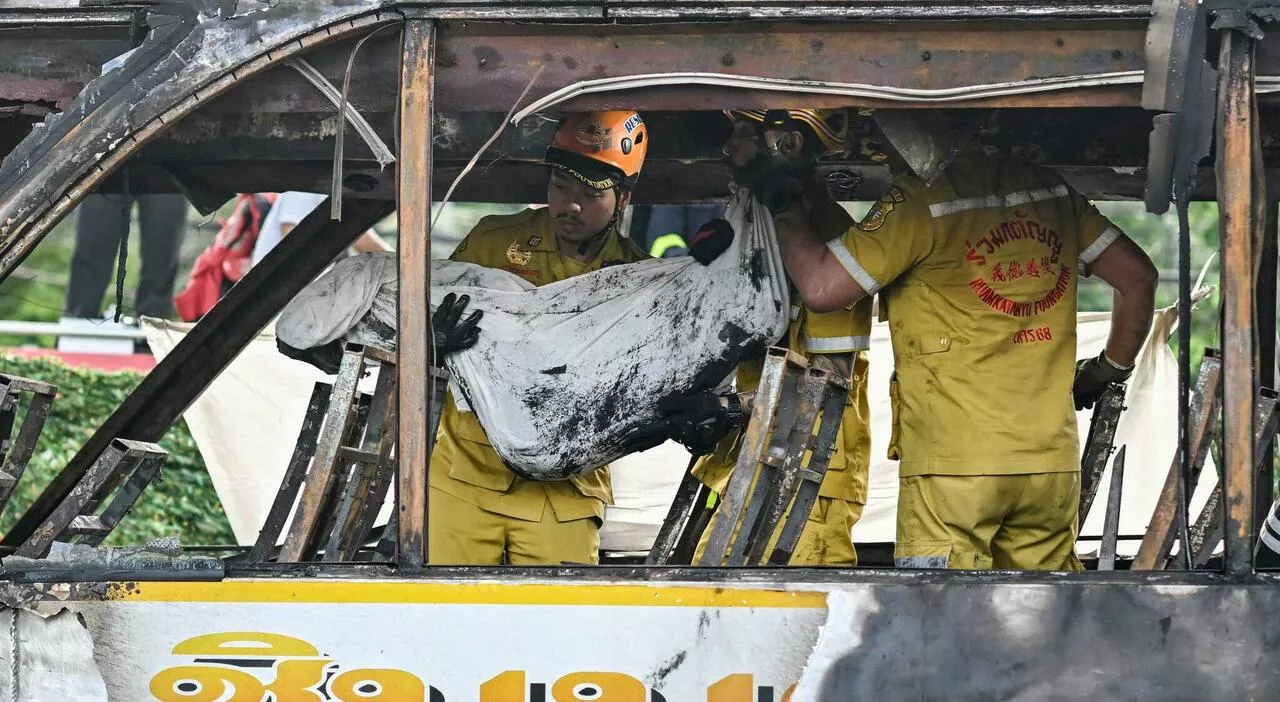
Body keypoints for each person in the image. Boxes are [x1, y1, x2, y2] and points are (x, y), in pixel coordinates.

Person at [760, 107, 1158, 570]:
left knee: (940, 619)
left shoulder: (920, 202)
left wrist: (782, 201)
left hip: (954, 471)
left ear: (907, 140)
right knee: (1041, 621)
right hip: (1050, 464)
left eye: (882, 143)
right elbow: (1139, 278)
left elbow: (822, 288)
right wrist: (1109, 369)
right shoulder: (1048, 189)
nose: (881, 155)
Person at [429, 110, 730, 565]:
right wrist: (434, 340)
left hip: (566, 491)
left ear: (624, 198)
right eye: (559, 186)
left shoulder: (639, 281)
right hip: (464, 475)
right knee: (444, 619)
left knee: (556, 628)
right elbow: (422, 330)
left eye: (590, 195)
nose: (570, 205)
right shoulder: (492, 241)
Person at [635, 109, 873, 566]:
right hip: (743, 463)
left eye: (744, 134)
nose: (729, 149)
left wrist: (730, 406)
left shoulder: (832, 236)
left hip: (804, 480)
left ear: (790, 144)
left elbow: (828, 381)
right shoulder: (753, 230)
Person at [63, 192, 188, 321]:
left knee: (162, 261)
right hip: (104, 176)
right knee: (90, 257)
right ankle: (75, 329)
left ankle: (152, 334)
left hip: (169, 176)